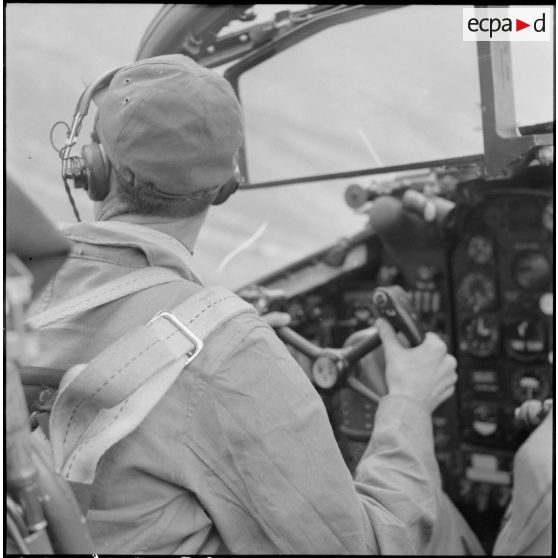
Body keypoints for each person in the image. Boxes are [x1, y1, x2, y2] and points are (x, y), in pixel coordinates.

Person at [24, 54, 465, 555]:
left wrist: (243, 352)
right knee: (444, 514)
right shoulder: (226, 350)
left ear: (92, 168)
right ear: (227, 185)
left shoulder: (16, 283)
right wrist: (410, 402)